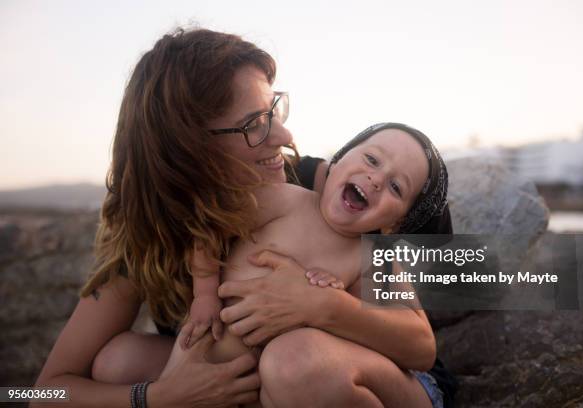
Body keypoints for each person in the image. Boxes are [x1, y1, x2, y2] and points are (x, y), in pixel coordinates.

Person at [34, 26, 455, 408]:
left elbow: (433, 305)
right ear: (186, 151)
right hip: (260, 375)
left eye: (274, 110)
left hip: (362, 371)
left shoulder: (323, 190)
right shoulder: (151, 236)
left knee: (293, 362)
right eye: (255, 124)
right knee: (116, 362)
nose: (285, 136)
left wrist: (322, 303)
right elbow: (39, 392)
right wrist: (158, 398)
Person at [181, 122, 449, 408]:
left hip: (304, 377)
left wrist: (333, 300)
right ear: (338, 159)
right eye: (371, 159)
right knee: (148, 362)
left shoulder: (367, 258)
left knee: (289, 366)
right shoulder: (282, 199)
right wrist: (205, 294)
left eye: (396, 187)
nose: (376, 179)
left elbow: (417, 347)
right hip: (231, 366)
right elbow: (209, 228)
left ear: (394, 225)